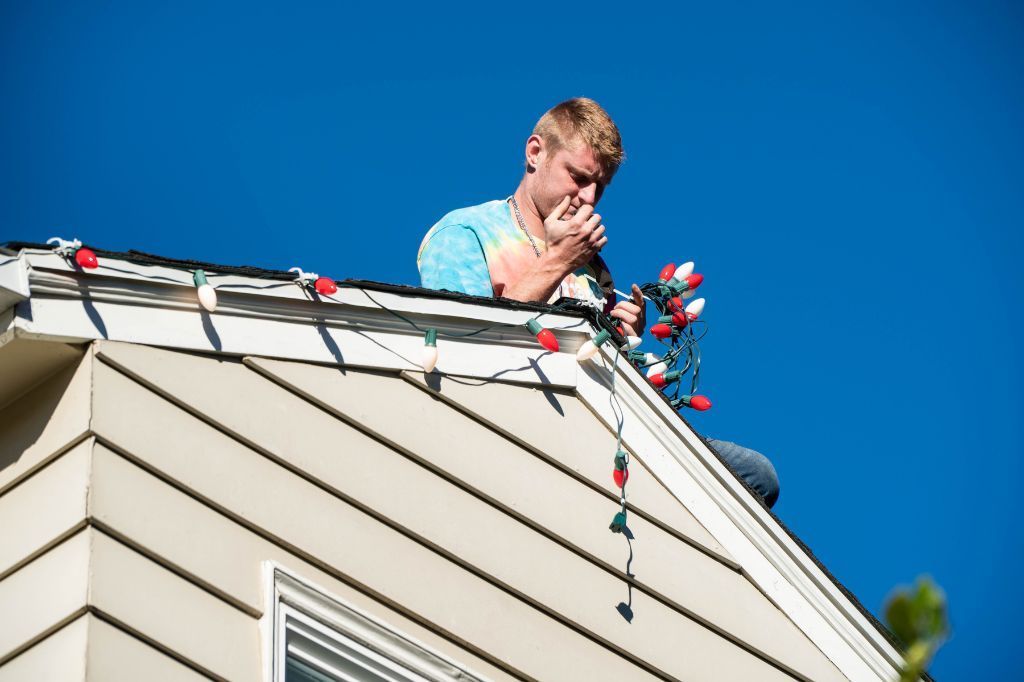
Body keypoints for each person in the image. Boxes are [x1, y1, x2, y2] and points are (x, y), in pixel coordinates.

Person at [416, 98, 780, 508]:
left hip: (603, 423)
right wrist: (557, 261)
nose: (588, 198)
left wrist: (623, 334)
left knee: (755, 474)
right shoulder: (465, 233)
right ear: (535, 152)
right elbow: (461, 347)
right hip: (519, 418)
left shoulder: (591, 266)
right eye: (578, 177)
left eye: (600, 188)